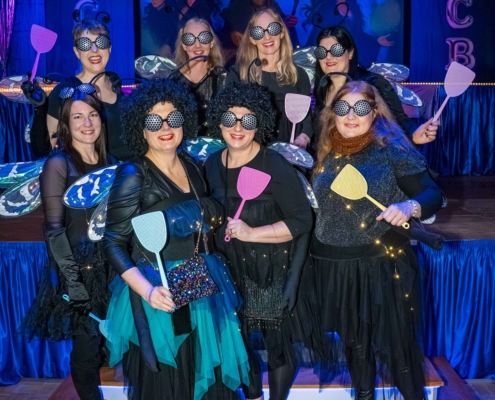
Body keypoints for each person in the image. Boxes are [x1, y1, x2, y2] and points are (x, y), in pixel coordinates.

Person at [102, 79, 249, 400]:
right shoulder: (133, 174)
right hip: (159, 290)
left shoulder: (192, 167)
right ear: (141, 129)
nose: (165, 127)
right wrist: (148, 291)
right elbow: (112, 243)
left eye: (173, 118)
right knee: (171, 381)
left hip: (199, 286)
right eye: (154, 121)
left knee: (204, 378)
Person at [311, 81, 443, 400]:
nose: (351, 116)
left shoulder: (391, 149)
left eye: (360, 108)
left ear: (374, 112)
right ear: (333, 113)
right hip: (336, 268)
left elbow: (433, 195)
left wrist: (408, 206)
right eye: (343, 108)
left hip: (382, 266)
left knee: (398, 351)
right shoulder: (327, 149)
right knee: (356, 349)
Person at [205, 82, 320, 400]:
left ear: (260, 124)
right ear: (218, 122)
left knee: (278, 345)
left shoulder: (274, 164)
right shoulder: (212, 164)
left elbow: (302, 221)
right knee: (238, 341)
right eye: (230, 119)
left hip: (272, 269)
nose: (238, 127)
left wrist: (253, 234)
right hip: (229, 270)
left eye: (248, 120)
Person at [18, 88, 117, 400]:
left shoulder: (113, 163)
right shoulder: (59, 164)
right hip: (79, 268)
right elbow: (54, 229)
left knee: (114, 344)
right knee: (87, 346)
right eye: (78, 117)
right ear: (65, 125)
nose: (87, 123)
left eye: (92, 115)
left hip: (115, 266)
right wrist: (73, 281)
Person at [313, 26, 439, 146]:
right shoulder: (321, 89)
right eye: (321, 52)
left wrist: (413, 135)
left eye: (336, 50)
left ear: (350, 53)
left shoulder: (372, 83)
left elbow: (398, 119)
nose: (328, 57)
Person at [24, 19, 129, 160]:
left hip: (133, 168)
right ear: (77, 52)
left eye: (101, 42)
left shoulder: (116, 83)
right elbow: (42, 149)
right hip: (98, 171)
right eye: (85, 44)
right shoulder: (66, 90)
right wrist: (40, 109)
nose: (94, 50)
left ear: (109, 48)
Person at [226, 8, 313, 148]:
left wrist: (303, 138)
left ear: (282, 32)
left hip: (287, 152)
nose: (267, 37)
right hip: (251, 151)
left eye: (273, 29)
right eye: (258, 32)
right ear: (252, 39)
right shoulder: (239, 74)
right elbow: (228, 118)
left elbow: (306, 120)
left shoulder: (299, 75)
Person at [171, 18, 226, 136]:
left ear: (212, 43)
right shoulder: (173, 81)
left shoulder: (224, 79)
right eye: (189, 39)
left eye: (204, 38)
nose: (197, 45)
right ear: (184, 45)